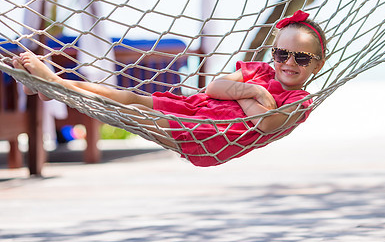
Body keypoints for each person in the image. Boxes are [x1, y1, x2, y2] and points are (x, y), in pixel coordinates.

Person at [12, 10, 327, 167]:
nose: (288, 62)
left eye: (301, 57)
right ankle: (56, 85)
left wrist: (244, 92)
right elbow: (216, 87)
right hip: (194, 107)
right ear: (273, 54)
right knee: (124, 97)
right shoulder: (259, 72)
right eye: (281, 54)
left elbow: (263, 122)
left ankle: (53, 86)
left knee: (126, 112)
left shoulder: (300, 101)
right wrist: (255, 94)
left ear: (318, 64)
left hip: (208, 133)